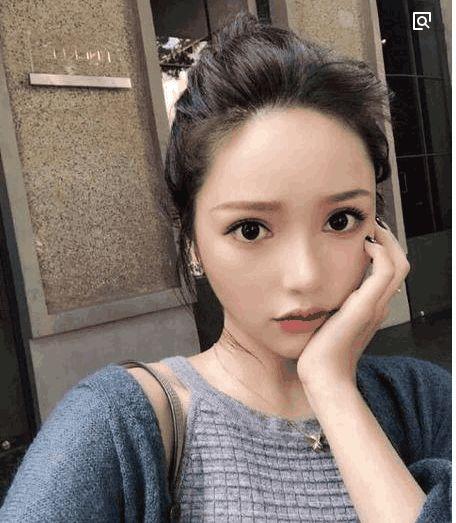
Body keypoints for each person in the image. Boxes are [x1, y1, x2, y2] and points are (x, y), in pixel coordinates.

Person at [0, 11, 451, 522]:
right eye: (250, 229)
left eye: (341, 220)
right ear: (193, 241)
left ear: (378, 232)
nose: (305, 276)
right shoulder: (114, 427)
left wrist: (331, 386)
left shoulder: (425, 401)